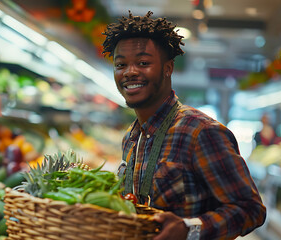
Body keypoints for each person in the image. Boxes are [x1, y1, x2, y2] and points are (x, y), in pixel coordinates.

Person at [102, 11, 266, 240]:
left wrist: (190, 229)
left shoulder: (200, 132)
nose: (130, 72)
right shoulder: (131, 136)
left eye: (143, 62)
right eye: (121, 64)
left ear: (168, 68)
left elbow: (251, 209)